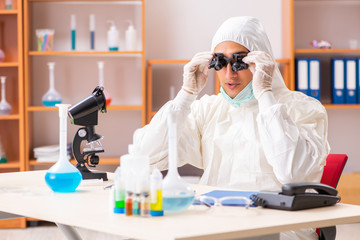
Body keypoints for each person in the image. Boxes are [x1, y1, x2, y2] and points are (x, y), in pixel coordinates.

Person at [133, 16, 330, 239]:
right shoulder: (209, 109)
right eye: (220, 62)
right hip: (215, 224)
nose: (229, 74)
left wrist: (265, 95)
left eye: (240, 62)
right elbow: (144, 155)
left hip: (278, 229)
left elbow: (293, 173)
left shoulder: (302, 108)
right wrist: (185, 96)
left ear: (262, 62)